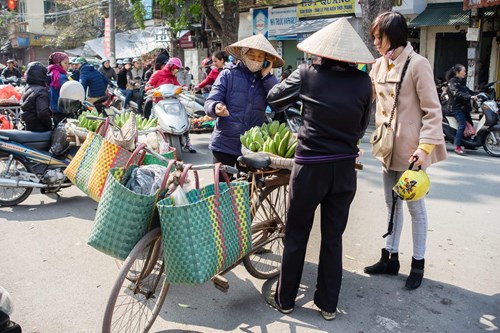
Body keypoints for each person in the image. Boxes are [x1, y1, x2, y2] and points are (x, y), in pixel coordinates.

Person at [264, 18, 373, 321]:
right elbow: (362, 126)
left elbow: (274, 101)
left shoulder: (306, 74)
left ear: (321, 51)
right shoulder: (364, 82)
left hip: (310, 167)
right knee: (333, 237)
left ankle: (286, 300)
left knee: (297, 233)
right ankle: (327, 305)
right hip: (344, 169)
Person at [364, 11, 447, 290]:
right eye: (374, 37)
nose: (375, 42)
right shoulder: (377, 66)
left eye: (379, 37)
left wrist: (424, 150)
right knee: (391, 204)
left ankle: (418, 264)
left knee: (415, 208)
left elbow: (433, 112)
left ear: (394, 35)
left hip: (413, 151)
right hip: (387, 147)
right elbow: (369, 100)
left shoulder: (417, 64)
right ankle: (390, 258)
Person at [204, 34, 282, 169]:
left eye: (260, 57)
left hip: (252, 147)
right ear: (243, 54)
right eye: (252, 55)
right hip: (224, 144)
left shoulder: (267, 80)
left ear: (266, 60)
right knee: (225, 188)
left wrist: (267, 77)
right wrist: (216, 107)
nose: (256, 60)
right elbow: (211, 100)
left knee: (249, 188)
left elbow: (279, 104)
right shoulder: (228, 74)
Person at [145, 57, 196, 153]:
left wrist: (183, 88)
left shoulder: (173, 77)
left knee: (184, 116)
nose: (177, 70)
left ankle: (187, 142)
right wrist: (149, 89)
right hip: (159, 103)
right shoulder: (158, 74)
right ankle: (154, 145)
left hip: (172, 102)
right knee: (154, 122)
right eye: (176, 68)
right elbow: (148, 84)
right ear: (171, 66)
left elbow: (178, 86)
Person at [446, 64, 477, 155]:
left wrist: (479, 94)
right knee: (462, 126)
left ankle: (468, 144)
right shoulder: (452, 82)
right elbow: (457, 93)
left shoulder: (461, 82)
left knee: (470, 124)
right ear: (457, 72)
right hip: (456, 108)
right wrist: (470, 96)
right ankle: (457, 146)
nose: (465, 73)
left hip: (464, 108)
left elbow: (468, 91)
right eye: (463, 71)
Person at [20, 62, 53, 132]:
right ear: (42, 76)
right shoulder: (41, 91)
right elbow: (42, 112)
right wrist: (50, 126)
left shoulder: (28, 88)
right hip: (39, 129)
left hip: (29, 126)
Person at [47, 52, 70, 126]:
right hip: (63, 111)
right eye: (65, 63)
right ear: (58, 63)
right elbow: (68, 94)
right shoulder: (61, 77)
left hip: (53, 109)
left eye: (68, 63)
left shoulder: (51, 74)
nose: (67, 66)